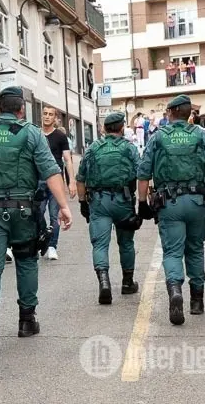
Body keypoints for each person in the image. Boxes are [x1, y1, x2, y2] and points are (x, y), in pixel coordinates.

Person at [0, 86, 73, 352]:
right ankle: (27, 321)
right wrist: (64, 206)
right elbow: (51, 171)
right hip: (24, 210)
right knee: (27, 260)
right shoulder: (31, 133)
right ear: (21, 110)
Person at [137, 95, 205, 326]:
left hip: (169, 204)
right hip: (197, 202)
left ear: (170, 112)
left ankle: (175, 290)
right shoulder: (200, 135)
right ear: (188, 113)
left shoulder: (157, 137)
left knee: (173, 252)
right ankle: (197, 302)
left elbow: (144, 173)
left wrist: (142, 203)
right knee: (195, 250)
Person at [77, 112, 142, 305]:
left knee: (100, 244)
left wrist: (82, 202)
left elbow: (80, 179)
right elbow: (142, 173)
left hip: (98, 201)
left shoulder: (93, 149)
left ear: (104, 129)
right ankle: (127, 282)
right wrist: (144, 201)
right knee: (126, 243)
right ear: (122, 128)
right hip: (123, 200)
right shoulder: (128, 148)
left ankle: (104, 281)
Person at [38, 106, 77, 260]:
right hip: (38, 180)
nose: (47, 116)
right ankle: (43, 241)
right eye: (45, 114)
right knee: (37, 213)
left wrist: (71, 181)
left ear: (55, 118)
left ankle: (53, 246)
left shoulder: (60, 136)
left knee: (55, 215)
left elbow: (67, 160)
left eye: (50, 114)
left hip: (56, 180)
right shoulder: (36, 134)